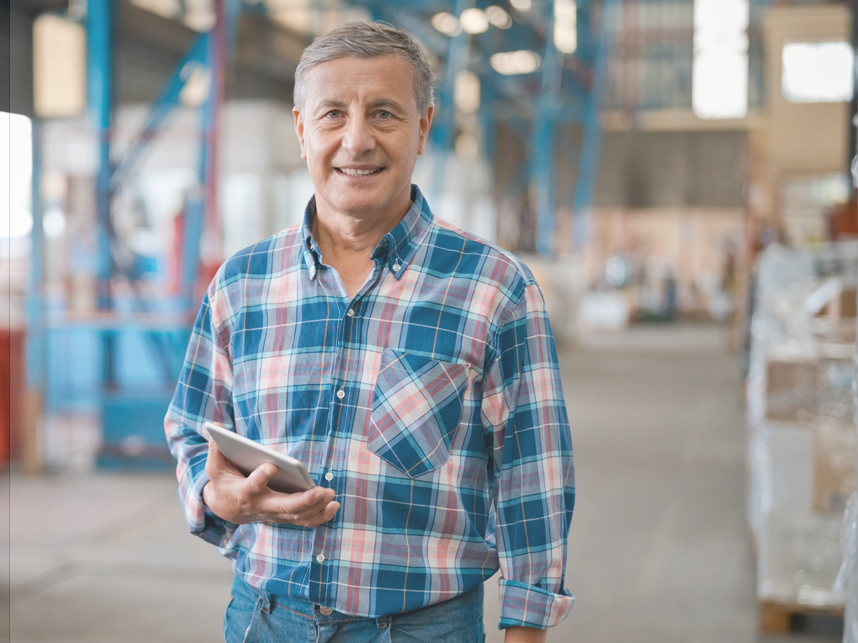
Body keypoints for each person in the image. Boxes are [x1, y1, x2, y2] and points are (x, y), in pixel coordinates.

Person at [165, 20, 575, 643]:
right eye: (332, 114)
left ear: (423, 127)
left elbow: (531, 476)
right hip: (264, 620)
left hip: (422, 629)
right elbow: (193, 431)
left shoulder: (494, 289)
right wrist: (215, 495)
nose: (356, 141)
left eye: (383, 113)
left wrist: (527, 625)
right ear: (303, 132)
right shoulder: (241, 284)